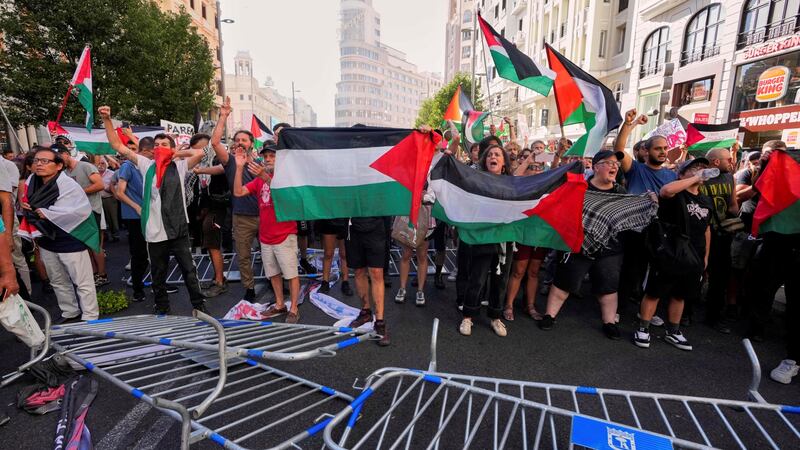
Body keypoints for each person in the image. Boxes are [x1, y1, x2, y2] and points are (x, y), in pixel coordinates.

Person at [100, 106, 207, 314]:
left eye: (164, 144)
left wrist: (176, 153)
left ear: (172, 147)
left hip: (177, 227)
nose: (159, 147)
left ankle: (199, 306)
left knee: (189, 270)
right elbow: (116, 144)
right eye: (156, 145)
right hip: (154, 229)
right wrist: (107, 120)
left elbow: (200, 152)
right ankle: (162, 306)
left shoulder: (180, 165)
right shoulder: (145, 165)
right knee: (158, 272)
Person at [540, 151, 632, 339]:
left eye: (616, 164)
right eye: (608, 163)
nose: (614, 166)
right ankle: (549, 316)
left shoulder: (621, 193)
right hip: (578, 246)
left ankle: (609, 323)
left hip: (610, 249)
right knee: (564, 283)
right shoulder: (580, 188)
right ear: (596, 167)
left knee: (608, 287)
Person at [634, 158, 713, 351]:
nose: (700, 171)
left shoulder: (705, 199)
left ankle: (673, 331)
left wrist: (706, 257)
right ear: (681, 174)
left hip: (694, 254)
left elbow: (707, 229)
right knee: (655, 291)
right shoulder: (675, 193)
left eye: (703, 169)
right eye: (694, 168)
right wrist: (693, 178)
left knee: (681, 295)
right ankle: (643, 327)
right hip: (670, 252)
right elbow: (666, 191)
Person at [21, 147, 99, 322]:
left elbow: (80, 211)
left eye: (44, 161)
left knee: (82, 281)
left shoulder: (68, 185)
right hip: (46, 238)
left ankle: (90, 317)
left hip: (70, 238)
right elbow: (28, 203)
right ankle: (70, 312)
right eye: (36, 160)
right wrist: (30, 208)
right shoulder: (32, 181)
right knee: (57, 280)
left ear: (58, 166)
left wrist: (47, 212)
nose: (39, 164)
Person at [616, 109, 677, 324]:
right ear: (647, 150)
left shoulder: (672, 175)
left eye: (665, 148)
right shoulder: (636, 169)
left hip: (660, 231)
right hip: (636, 230)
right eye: (658, 148)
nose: (662, 152)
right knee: (631, 272)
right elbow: (619, 149)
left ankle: (646, 312)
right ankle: (618, 310)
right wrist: (628, 125)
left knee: (655, 274)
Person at [232, 144, 301, 323]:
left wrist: (265, 176)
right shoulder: (258, 180)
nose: (268, 159)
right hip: (265, 235)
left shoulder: (287, 178)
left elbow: (288, 198)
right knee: (273, 273)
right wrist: (239, 168)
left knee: (291, 274)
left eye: (272, 156)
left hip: (285, 234)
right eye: (266, 156)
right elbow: (238, 192)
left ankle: (294, 308)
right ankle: (280, 304)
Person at [459, 144, 513, 338]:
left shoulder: (513, 184)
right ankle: (468, 316)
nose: (493, 157)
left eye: (497, 154)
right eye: (490, 154)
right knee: (477, 278)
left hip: (505, 240)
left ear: (504, 163)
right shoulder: (478, 182)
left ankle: (495, 317)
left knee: (501, 281)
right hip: (483, 238)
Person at [212, 97, 263, 302]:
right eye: (237, 140)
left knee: (270, 255)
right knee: (243, 256)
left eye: (244, 140)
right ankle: (249, 289)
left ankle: (277, 285)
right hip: (242, 218)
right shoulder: (230, 161)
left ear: (251, 144)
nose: (240, 143)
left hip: (265, 216)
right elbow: (215, 142)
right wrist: (223, 116)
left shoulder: (262, 162)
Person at [55, 145, 108, 287]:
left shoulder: (85, 166)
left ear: (66, 154)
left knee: (95, 245)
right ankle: (94, 274)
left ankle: (102, 275)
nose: (58, 161)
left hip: (92, 211)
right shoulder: (65, 172)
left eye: (59, 157)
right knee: (84, 245)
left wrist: (78, 192)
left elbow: (100, 185)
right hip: (77, 215)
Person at [699, 147, 740, 333]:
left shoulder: (730, 177)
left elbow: (733, 206)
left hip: (722, 235)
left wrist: (735, 220)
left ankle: (714, 316)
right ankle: (685, 313)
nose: (731, 162)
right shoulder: (700, 177)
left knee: (720, 278)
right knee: (695, 272)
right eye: (728, 159)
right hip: (701, 233)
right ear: (716, 162)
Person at [505, 154, 546, 321]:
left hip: (540, 232)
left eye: (539, 167)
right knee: (518, 271)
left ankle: (530, 305)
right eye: (532, 167)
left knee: (534, 271)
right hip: (522, 231)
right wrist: (526, 162)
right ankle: (508, 304)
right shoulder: (520, 185)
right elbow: (513, 180)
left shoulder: (548, 185)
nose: (536, 170)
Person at [192, 147, 231, 299]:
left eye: (201, 148)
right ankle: (217, 277)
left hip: (218, 211)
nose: (198, 151)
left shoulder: (218, 162)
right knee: (210, 245)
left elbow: (221, 169)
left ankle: (220, 282)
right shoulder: (204, 164)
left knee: (213, 245)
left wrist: (201, 171)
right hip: (210, 210)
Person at [317, 218, 353, 296]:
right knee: (328, 253)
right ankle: (325, 282)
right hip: (329, 219)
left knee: (344, 254)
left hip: (344, 220)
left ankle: (345, 282)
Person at [735, 151, 762, 231]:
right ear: (749, 165)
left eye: (760, 163)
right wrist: (759, 181)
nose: (758, 166)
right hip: (749, 218)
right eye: (755, 163)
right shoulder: (746, 174)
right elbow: (737, 197)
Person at [98, 157, 120, 242]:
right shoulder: (94, 173)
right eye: (99, 163)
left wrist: (107, 188)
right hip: (98, 199)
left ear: (106, 164)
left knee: (112, 218)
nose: (100, 165)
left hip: (109, 198)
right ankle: (105, 236)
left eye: (102, 163)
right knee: (101, 219)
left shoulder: (112, 173)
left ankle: (115, 235)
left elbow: (117, 186)